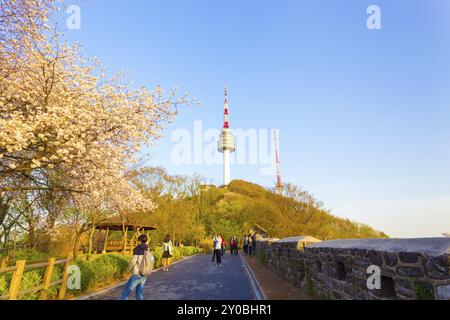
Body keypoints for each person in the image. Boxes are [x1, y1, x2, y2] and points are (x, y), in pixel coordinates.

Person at [121, 234, 154, 300]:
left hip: (137, 273)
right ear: (146, 240)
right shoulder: (148, 249)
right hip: (145, 273)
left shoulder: (137, 249)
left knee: (126, 291)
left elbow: (133, 261)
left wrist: (128, 269)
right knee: (139, 292)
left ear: (139, 241)